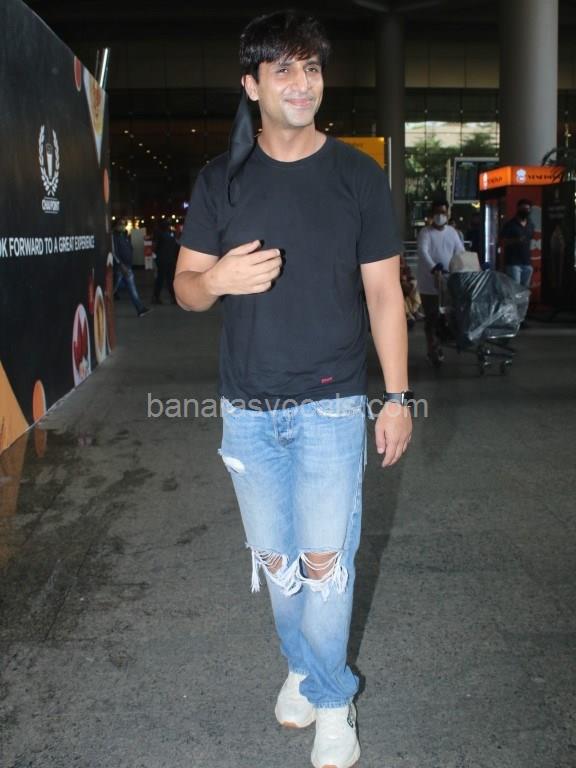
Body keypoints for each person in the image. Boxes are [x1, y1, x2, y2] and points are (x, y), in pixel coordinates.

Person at [174, 11, 412, 768]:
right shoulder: (221, 180)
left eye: (311, 68)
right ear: (252, 85)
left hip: (332, 405)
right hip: (248, 409)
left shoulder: (356, 177)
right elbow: (185, 289)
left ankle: (333, 700)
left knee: (323, 564)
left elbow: (384, 295)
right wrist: (217, 278)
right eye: (283, 69)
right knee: (277, 566)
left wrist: (397, 398)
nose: (301, 83)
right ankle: (303, 668)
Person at [417, 200, 464, 366]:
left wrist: (463, 266)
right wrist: (434, 268)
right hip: (429, 285)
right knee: (432, 317)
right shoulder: (425, 233)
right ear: (432, 214)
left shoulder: (452, 232)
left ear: (448, 213)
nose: (440, 216)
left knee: (445, 317)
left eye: (443, 212)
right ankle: (433, 349)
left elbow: (460, 251)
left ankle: (439, 345)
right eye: (437, 212)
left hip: (448, 283)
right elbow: (423, 252)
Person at [112, 219, 151, 317]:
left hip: (127, 266)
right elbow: (114, 252)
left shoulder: (124, 235)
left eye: (123, 224)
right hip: (121, 267)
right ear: (115, 225)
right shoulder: (113, 237)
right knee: (114, 288)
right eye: (120, 224)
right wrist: (121, 265)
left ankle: (140, 309)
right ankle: (104, 302)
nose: (122, 226)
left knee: (130, 287)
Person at [499, 198, 535, 288]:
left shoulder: (530, 225)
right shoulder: (510, 224)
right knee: (515, 289)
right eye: (524, 209)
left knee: (525, 290)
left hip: (527, 262)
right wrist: (515, 240)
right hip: (513, 263)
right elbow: (501, 241)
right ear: (518, 209)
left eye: (528, 209)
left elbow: (530, 240)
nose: (526, 211)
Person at [152, 220, 178, 304]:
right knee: (169, 279)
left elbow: (155, 247)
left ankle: (156, 297)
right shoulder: (171, 236)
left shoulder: (160, 235)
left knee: (161, 279)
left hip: (162, 260)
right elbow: (175, 247)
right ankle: (173, 297)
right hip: (169, 260)